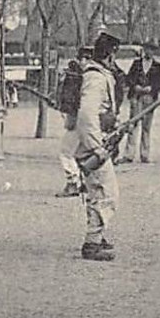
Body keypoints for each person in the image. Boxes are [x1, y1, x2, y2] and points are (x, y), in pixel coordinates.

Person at [76, 31, 123, 259]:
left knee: (98, 190)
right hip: (94, 144)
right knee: (107, 193)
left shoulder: (100, 74)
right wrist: (96, 147)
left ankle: (97, 234)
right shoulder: (95, 77)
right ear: (110, 54)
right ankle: (92, 243)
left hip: (100, 140)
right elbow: (87, 114)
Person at [56, 54, 85, 197]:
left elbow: (71, 101)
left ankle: (73, 182)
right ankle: (84, 182)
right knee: (82, 151)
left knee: (65, 152)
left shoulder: (75, 78)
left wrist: (69, 115)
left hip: (77, 118)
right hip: (90, 121)